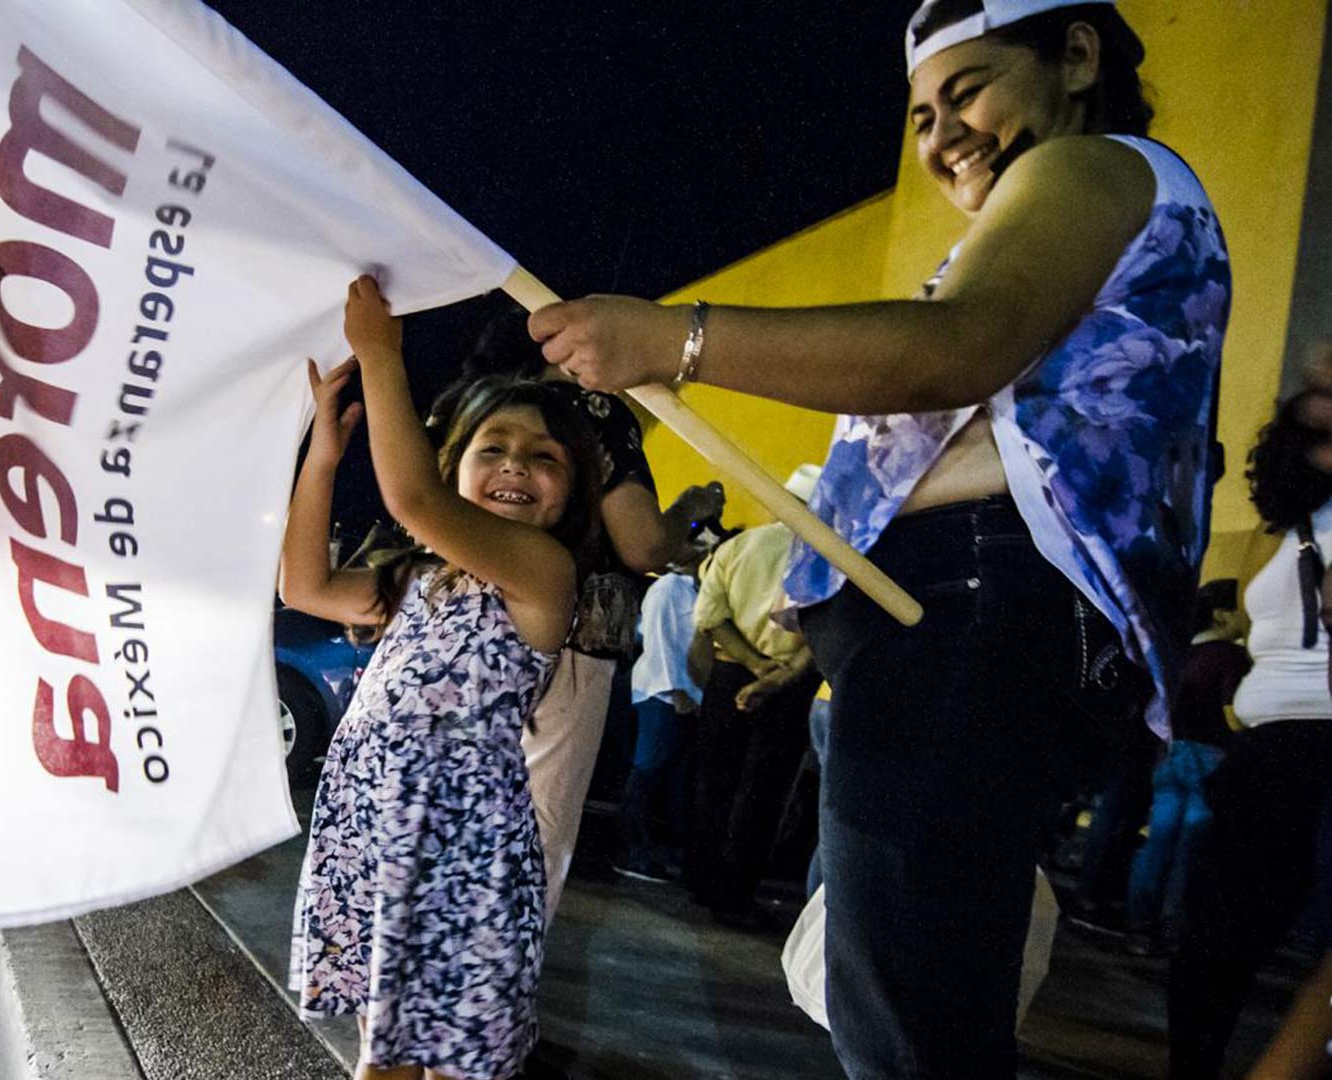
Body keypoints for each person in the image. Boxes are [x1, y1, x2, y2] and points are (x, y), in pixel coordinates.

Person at [526, 2, 1228, 1073]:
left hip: (975, 612)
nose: (942, 134)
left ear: (1077, 56)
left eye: (971, 89)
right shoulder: (1066, 207)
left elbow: (954, 349)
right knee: (908, 999)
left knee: (908, 1036)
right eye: (919, 115)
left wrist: (676, 337)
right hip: (963, 621)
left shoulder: (1085, 168)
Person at [281, 276, 602, 1080]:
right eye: (492, 448)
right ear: (459, 462)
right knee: (384, 1051)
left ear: (570, 496)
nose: (514, 466)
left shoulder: (542, 572)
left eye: (542, 457)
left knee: (458, 1060)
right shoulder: (421, 577)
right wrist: (323, 455)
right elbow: (304, 587)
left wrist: (381, 353)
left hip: (461, 847)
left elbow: (414, 497)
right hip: (385, 835)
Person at [433, 313, 724, 917]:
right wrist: (686, 515)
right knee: (533, 831)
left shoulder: (482, 409)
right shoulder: (592, 415)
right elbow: (643, 544)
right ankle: (489, 981)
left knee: (449, 810)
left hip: (461, 624)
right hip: (569, 639)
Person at [1169, 396, 1332, 1078]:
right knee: (1217, 939)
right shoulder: (1286, 529)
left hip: (1307, 746)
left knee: (1222, 937)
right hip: (1269, 746)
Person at [683, 466, 823, 927]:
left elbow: (711, 618)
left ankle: (701, 882)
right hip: (789, 683)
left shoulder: (740, 546)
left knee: (714, 780)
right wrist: (773, 673)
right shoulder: (824, 557)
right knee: (764, 792)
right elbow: (822, 631)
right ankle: (735, 893)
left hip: (728, 675)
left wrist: (751, 663)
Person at [1123, 579, 1248, 952]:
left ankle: (1138, 923)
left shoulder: (1181, 650)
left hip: (1172, 751)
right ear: (1223, 614)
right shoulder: (1230, 657)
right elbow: (1232, 714)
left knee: (1157, 841)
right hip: (1209, 756)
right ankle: (1170, 928)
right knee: (1189, 848)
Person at [615, 508, 723, 882]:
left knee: (666, 774)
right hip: (662, 693)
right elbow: (658, 642)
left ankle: (653, 849)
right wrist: (674, 689)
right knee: (647, 770)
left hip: (680, 694)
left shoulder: (692, 589)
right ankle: (633, 851)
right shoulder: (669, 588)